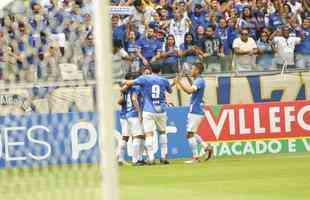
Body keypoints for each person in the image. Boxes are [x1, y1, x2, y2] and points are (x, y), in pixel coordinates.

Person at [123, 65, 173, 165]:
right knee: (162, 132)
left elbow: (129, 82)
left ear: (150, 70)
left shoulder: (144, 79)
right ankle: (164, 156)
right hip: (161, 110)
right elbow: (170, 91)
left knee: (148, 134)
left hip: (148, 110)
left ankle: (151, 158)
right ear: (160, 70)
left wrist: (124, 82)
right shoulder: (164, 80)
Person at [175, 63, 212, 164]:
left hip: (196, 111)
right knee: (192, 133)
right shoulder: (198, 80)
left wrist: (179, 82)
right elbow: (192, 86)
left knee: (189, 134)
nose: (191, 70)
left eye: (192, 69)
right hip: (195, 110)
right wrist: (185, 78)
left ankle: (195, 158)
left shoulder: (199, 81)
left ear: (197, 70)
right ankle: (206, 146)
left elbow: (189, 91)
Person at [118, 73, 145, 166]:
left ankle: (121, 159)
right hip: (133, 114)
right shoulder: (135, 88)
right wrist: (139, 112)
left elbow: (120, 101)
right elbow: (134, 99)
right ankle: (136, 160)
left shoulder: (124, 89)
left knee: (125, 137)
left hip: (124, 115)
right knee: (138, 136)